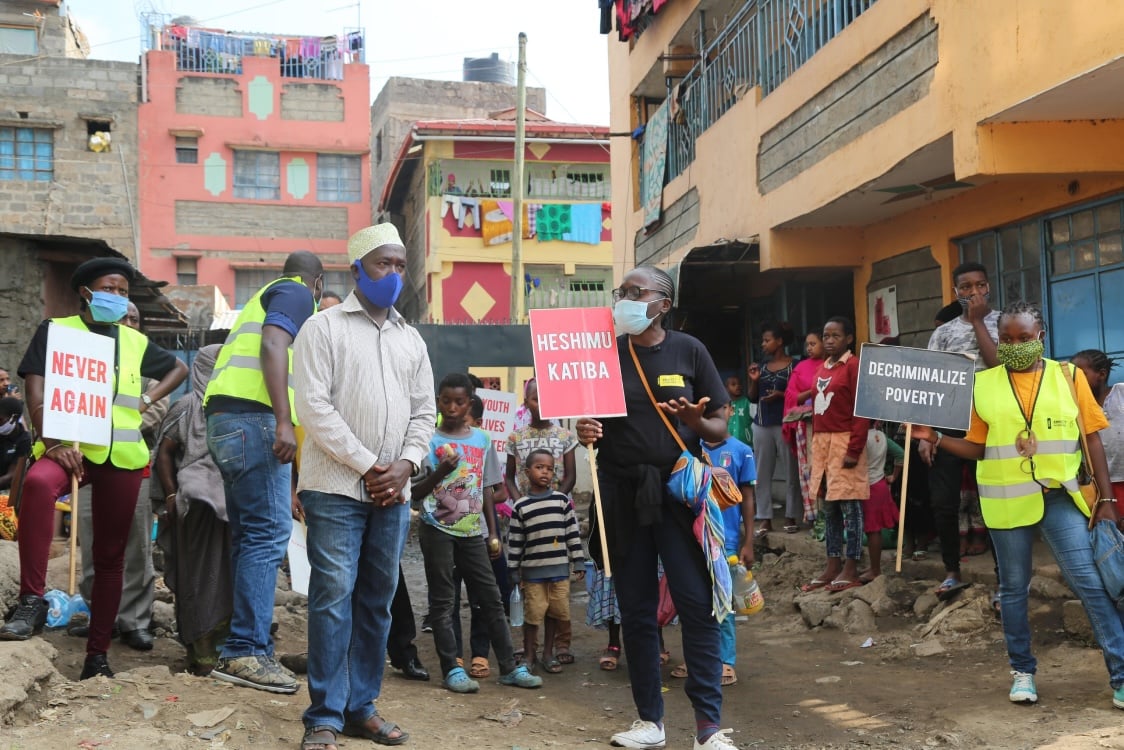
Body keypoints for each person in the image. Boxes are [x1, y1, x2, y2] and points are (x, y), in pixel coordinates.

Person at [912, 301, 1124, 707]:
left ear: (1040, 337)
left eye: (1023, 338)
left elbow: (1092, 438)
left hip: (1059, 495)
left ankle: (1121, 674)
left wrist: (1107, 498)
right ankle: (1022, 672)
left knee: (1091, 583)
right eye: (1006, 339)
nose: (1013, 346)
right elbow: (978, 448)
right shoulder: (984, 384)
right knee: (1013, 589)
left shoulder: (1069, 377)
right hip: (1006, 500)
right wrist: (936, 438)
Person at [0, 257, 187, 681]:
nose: (117, 297)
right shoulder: (55, 330)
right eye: (109, 289)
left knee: (110, 556)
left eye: (123, 291)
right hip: (68, 449)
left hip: (121, 456)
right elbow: (35, 388)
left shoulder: (134, 341)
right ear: (86, 292)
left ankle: (97, 654)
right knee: (37, 485)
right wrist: (54, 443)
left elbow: (179, 369)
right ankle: (31, 601)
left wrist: (146, 400)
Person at [577, 265, 737, 750]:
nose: (624, 298)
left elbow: (720, 425)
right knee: (636, 609)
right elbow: (589, 417)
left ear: (663, 305)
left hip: (678, 494)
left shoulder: (689, 350)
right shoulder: (604, 353)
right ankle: (649, 721)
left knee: (697, 604)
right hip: (621, 493)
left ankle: (708, 727)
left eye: (636, 291)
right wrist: (585, 430)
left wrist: (696, 421)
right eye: (621, 291)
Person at [291, 223, 434, 749]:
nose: (393, 274)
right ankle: (324, 715)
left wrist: (407, 464)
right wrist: (371, 465)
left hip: (394, 491)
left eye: (399, 265)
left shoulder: (410, 338)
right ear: (356, 270)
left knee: (377, 599)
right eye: (382, 264)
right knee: (333, 597)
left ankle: (361, 707)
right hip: (334, 488)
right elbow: (313, 407)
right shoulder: (322, 328)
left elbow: (424, 411)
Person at [203, 250, 324, 694]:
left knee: (249, 536)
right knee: (268, 534)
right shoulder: (296, 293)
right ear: (318, 284)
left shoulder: (263, 297)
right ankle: (246, 651)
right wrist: (283, 421)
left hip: (228, 423)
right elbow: (273, 344)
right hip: (254, 420)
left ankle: (246, 646)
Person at [412, 373, 542, 694]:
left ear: (469, 404)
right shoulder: (427, 441)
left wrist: (492, 532)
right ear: (438, 402)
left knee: (491, 597)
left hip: (473, 532)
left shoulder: (482, 440)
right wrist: (442, 471)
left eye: (459, 402)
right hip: (437, 529)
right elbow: (415, 493)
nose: (452, 408)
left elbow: (486, 487)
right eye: (446, 401)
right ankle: (451, 668)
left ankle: (508, 667)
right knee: (444, 601)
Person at [71, 301, 167, 651]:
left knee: (135, 546)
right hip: (89, 467)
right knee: (92, 542)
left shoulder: (147, 364)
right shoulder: (86, 360)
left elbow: (155, 409)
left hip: (133, 469)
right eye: (123, 316)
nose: (128, 322)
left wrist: (107, 422)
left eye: (134, 318)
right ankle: (102, 617)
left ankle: (135, 621)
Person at [921, 262, 1000, 598]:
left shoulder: (1004, 323)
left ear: (988, 287)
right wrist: (926, 432)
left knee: (993, 500)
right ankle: (952, 571)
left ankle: (1003, 576)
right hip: (950, 421)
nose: (974, 292)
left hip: (992, 420)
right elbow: (929, 382)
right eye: (966, 287)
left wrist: (978, 321)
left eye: (979, 285)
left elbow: (997, 365)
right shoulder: (943, 333)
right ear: (956, 292)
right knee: (944, 502)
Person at [155, 344, 232, 675]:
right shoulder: (187, 406)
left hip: (230, 507)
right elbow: (164, 451)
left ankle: (226, 652)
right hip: (196, 508)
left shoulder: (236, 407)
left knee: (227, 579)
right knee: (198, 579)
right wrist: (172, 495)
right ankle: (201, 655)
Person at [504, 376, 578, 665]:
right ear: (526, 403)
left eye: (547, 398)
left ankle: (557, 646)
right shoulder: (516, 438)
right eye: (536, 399)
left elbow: (570, 475)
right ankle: (530, 649)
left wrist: (555, 500)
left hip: (556, 516)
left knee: (557, 593)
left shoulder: (565, 436)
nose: (542, 404)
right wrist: (519, 502)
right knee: (532, 591)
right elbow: (509, 477)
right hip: (527, 520)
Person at [801, 317, 868, 593]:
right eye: (826, 336)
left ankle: (851, 566)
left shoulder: (853, 366)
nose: (829, 341)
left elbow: (861, 409)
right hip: (822, 444)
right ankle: (832, 563)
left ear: (849, 338)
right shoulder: (822, 368)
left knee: (850, 507)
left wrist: (854, 449)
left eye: (835, 336)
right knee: (829, 508)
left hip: (844, 441)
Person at [507, 449, 584, 673]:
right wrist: (513, 570)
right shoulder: (521, 506)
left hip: (559, 572)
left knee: (556, 613)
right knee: (533, 615)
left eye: (550, 469)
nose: (545, 472)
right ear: (526, 472)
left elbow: (572, 534)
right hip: (533, 574)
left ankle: (548, 653)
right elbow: (515, 542)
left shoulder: (561, 501)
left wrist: (578, 561)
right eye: (539, 467)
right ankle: (529, 653)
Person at [700, 405, 756, 687]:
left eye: (721, 406)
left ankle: (726, 660)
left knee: (723, 601)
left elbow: (748, 497)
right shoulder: (690, 447)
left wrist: (749, 540)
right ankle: (699, 658)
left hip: (727, 539)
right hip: (693, 536)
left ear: (730, 411)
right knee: (695, 600)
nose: (716, 412)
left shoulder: (742, 451)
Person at [748, 322, 801, 536]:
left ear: (779, 342)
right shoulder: (761, 367)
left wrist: (781, 395)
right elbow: (752, 397)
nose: (763, 344)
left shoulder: (795, 366)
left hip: (786, 424)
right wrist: (754, 381)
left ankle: (791, 516)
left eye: (767, 340)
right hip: (762, 424)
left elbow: (800, 393)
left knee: (791, 472)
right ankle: (765, 518)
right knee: (761, 473)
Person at [783, 330, 825, 524]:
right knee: (809, 469)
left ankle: (830, 517)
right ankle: (814, 515)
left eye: (813, 343)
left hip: (829, 425)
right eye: (807, 344)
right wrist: (812, 390)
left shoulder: (833, 365)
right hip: (805, 427)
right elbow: (791, 397)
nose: (809, 348)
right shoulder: (801, 368)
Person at [1073, 350, 1124, 503]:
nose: (1075, 380)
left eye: (1081, 375)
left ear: (1101, 374)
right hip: (1102, 484)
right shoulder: (1074, 406)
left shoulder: (1121, 392)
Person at [860, 423, 902, 582]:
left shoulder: (861, 437)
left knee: (872, 530)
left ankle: (875, 570)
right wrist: (893, 476)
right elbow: (901, 455)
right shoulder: (882, 436)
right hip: (880, 484)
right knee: (874, 529)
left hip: (868, 485)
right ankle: (873, 566)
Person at [0, 397, 30, 491]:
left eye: (0, 420)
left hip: (7, 491)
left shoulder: (24, 440)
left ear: (14, 418)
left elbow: (12, 474)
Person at [724, 376, 752, 446]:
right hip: (728, 443)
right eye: (733, 384)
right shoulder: (725, 405)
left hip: (745, 443)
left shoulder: (747, 402)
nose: (737, 386)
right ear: (727, 388)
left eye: (739, 384)